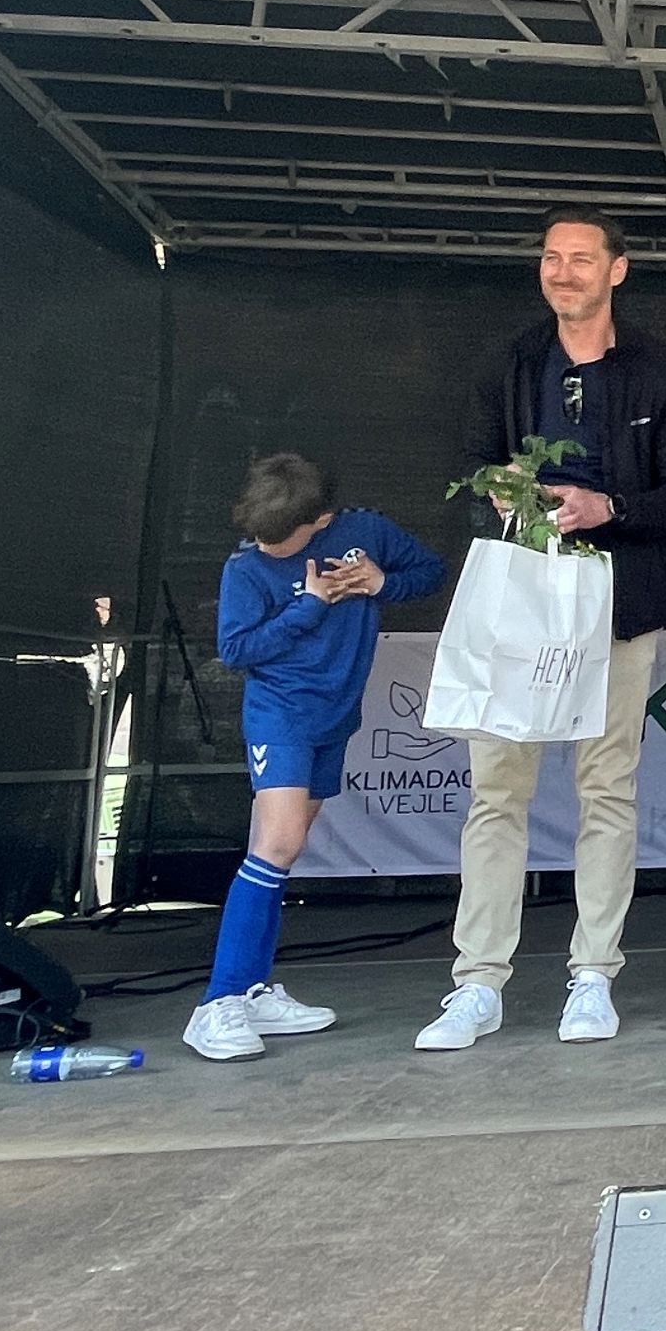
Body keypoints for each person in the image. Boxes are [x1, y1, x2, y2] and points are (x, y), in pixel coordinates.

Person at [417, 205, 666, 1052]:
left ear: (618, 270)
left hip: (619, 599)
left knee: (606, 788)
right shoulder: (510, 362)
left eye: (581, 258)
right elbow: (467, 465)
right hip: (519, 599)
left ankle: (593, 975)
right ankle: (478, 983)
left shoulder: (664, 371)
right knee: (496, 792)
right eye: (551, 257)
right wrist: (500, 489)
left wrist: (607, 506)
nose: (563, 272)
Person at [188, 453, 445, 1061]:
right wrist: (309, 602)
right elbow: (235, 650)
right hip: (280, 716)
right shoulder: (245, 567)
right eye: (261, 536)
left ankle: (253, 991)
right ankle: (217, 1003)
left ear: (323, 520)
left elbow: (430, 571)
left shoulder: (364, 530)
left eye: (283, 539)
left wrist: (383, 583)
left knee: (283, 852)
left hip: (336, 715)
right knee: (275, 845)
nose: (268, 547)